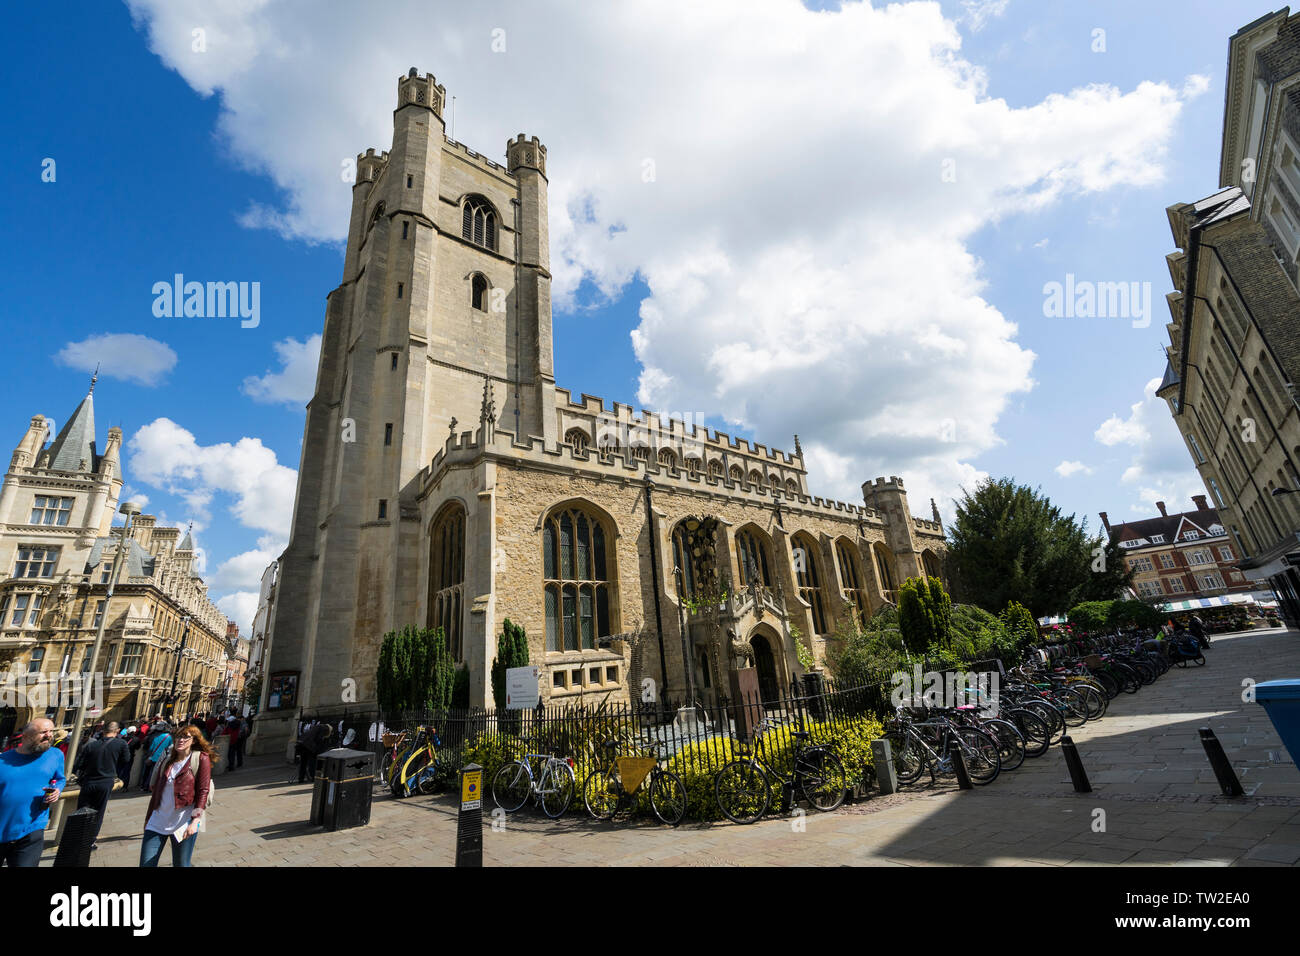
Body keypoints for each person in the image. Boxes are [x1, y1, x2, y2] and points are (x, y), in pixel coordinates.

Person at [140, 724, 214, 867]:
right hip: (158, 820)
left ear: (194, 740)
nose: (180, 740)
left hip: (183, 822)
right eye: (178, 736)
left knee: (181, 864)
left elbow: (203, 791)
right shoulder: (168, 759)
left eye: (186, 737)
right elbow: (156, 791)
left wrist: (196, 821)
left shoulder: (200, 758)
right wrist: (148, 817)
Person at [0, 719, 65, 867]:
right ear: (26, 736)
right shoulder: (2, 761)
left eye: (51, 731)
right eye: (43, 732)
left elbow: (60, 778)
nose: (49, 736)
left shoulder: (56, 755)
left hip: (32, 829)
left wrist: (57, 790)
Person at [72, 720, 130, 850]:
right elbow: (125, 760)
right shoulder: (121, 744)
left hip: (88, 781)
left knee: (81, 811)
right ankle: (90, 841)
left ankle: (77, 838)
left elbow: (79, 764)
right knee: (98, 812)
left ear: (103, 731)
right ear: (117, 731)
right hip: (105, 781)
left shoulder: (91, 745)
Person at [140, 723, 173, 793]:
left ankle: (145, 786)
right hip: (162, 758)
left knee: (149, 772)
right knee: (156, 773)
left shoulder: (156, 737)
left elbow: (151, 748)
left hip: (153, 757)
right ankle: (151, 786)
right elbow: (170, 748)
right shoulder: (169, 737)